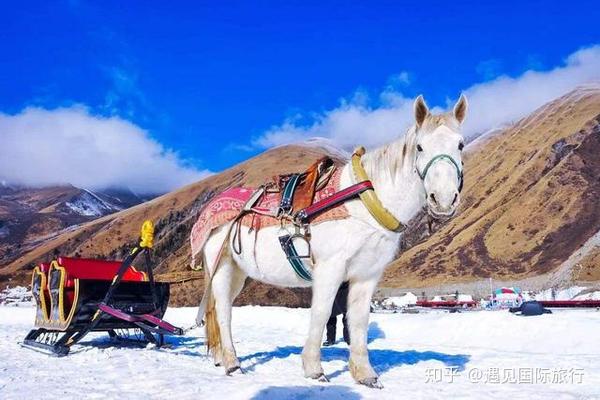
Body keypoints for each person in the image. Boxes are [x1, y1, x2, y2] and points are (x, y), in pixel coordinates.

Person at [323, 281, 350, 346]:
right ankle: (330, 339)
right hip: (331, 288)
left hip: (345, 287)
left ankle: (349, 338)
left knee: (347, 314)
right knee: (330, 315)